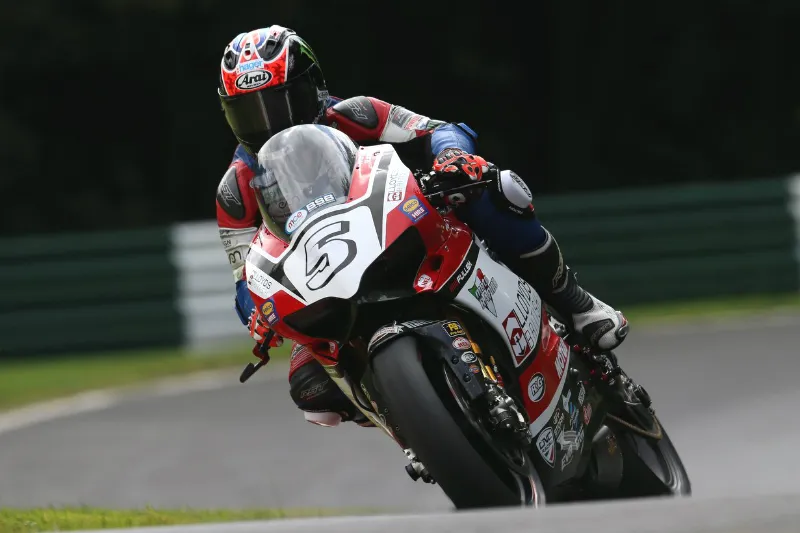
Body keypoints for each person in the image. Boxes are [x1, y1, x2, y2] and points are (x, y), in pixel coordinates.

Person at [215, 25, 629, 427]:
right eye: (250, 112)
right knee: (309, 388)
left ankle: (578, 305)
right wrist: (256, 312)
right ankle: (418, 432)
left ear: (314, 88)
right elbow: (245, 277)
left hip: (404, 222)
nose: (272, 124)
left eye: (281, 103)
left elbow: (438, 130)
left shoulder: (356, 113)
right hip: (328, 278)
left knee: (495, 191)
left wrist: (452, 157)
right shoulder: (235, 190)